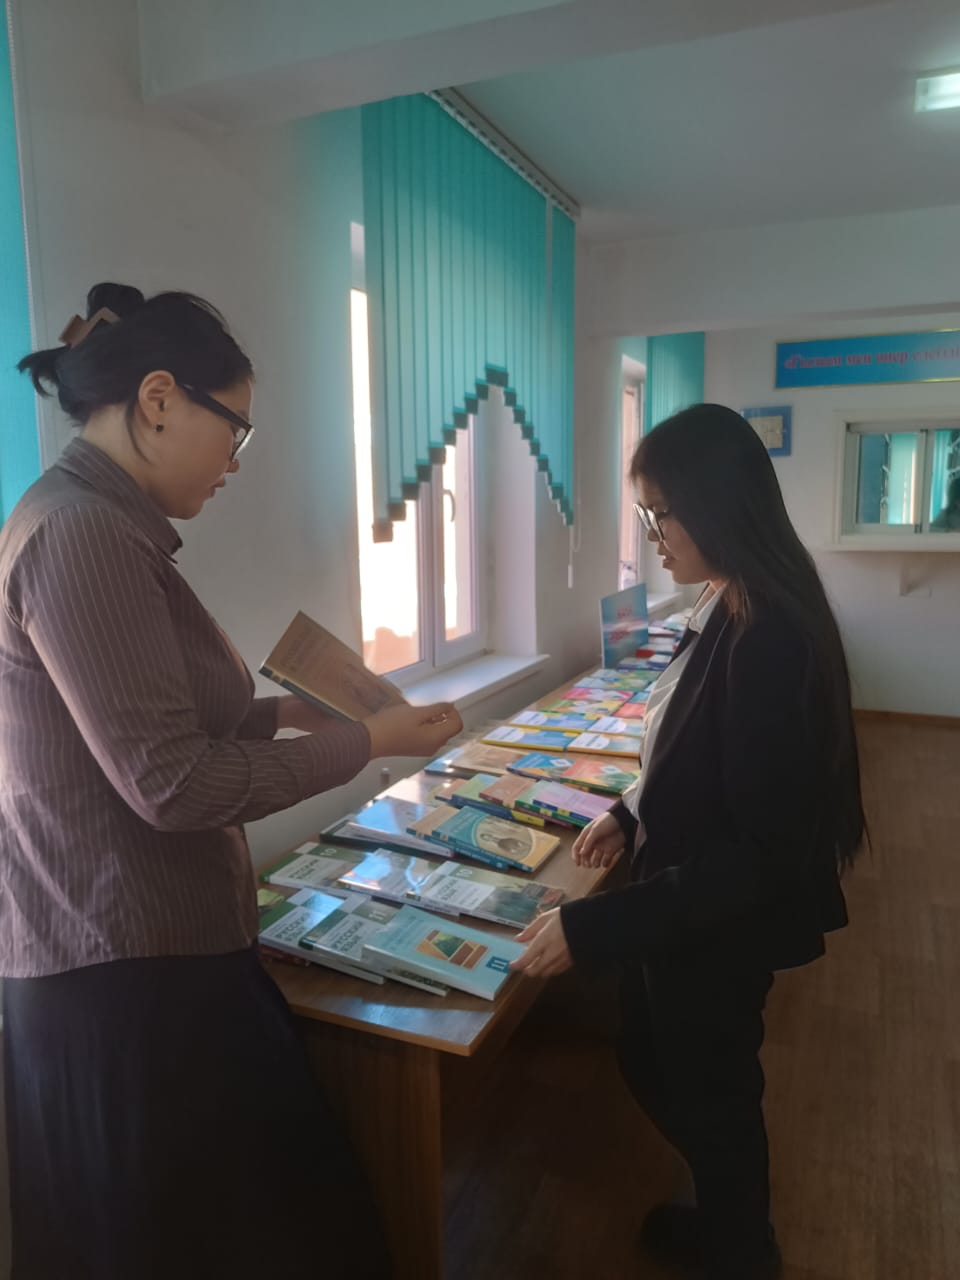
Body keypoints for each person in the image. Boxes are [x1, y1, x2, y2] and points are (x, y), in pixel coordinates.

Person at [0, 283, 463, 1280]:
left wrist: (287, 713)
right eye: (235, 429)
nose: (236, 462)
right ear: (159, 399)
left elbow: (138, 727)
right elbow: (170, 784)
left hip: (157, 947)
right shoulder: (80, 533)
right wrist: (368, 741)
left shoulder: (106, 524)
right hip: (122, 972)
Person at [512, 404, 865, 1280]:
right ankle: (728, 1214)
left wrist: (594, 926)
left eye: (661, 514)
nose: (652, 537)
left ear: (717, 504)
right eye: (647, 514)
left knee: (712, 1093)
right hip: (688, 906)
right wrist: (631, 813)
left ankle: (744, 1248)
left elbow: (759, 852)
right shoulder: (731, 599)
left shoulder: (770, 636)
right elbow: (695, 743)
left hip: (717, 923)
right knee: (655, 1057)